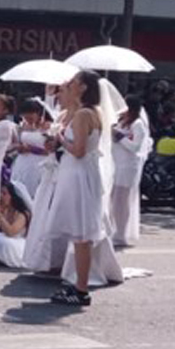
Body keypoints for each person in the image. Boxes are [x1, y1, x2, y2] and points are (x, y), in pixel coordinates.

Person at [47, 70, 106, 306]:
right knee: (80, 234)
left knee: (82, 235)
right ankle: (79, 284)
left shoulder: (84, 114)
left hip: (78, 173)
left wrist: (61, 139)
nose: (68, 85)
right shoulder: (86, 111)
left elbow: (79, 150)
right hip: (80, 172)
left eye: (73, 83)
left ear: (83, 87)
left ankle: (81, 288)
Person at [112, 94, 151, 247]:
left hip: (128, 166)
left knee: (122, 202)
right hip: (116, 163)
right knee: (113, 201)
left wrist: (120, 137)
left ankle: (121, 234)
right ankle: (113, 230)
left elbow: (135, 147)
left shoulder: (138, 124)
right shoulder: (120, 121)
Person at [11, 99, 52, 199]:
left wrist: (31, 149)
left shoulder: (48, 127)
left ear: (38, 113)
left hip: (38, 163)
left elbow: (49, 151)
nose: (27, 117)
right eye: (25, 114)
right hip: (22, 162)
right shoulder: (23, 125)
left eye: (30, 114)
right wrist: (18, 147)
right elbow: (17, 142)